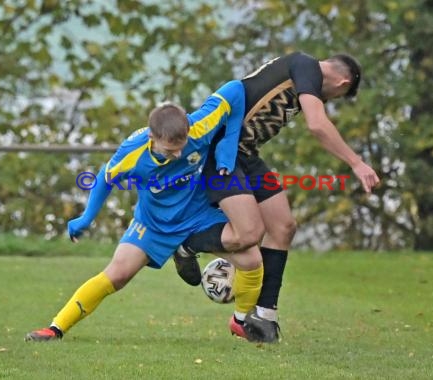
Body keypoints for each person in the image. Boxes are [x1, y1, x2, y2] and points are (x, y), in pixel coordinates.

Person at [25, 81, 274, 343]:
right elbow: (104, 178)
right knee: (117, 275)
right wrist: (86, 217)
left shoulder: (199, 126)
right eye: (170, 149)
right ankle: (55, 328)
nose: (178, 154)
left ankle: (240, 321)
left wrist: (228, 147)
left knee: (251, 260)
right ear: (152, 138)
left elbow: (235, 90)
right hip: (153, 225)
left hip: (198, 217)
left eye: (182, 145)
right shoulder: (133, 153)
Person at [173, 52, 381, 340]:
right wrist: (356, 162)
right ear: (343, 81)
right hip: (222, 154)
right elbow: (317, 124)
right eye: (338, 95)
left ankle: (262, 317)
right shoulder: (306, 65)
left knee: (283, 227)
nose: (329, 99)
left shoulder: (299, 73)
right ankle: (187, 243)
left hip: (246, 156)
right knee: (248, 234)